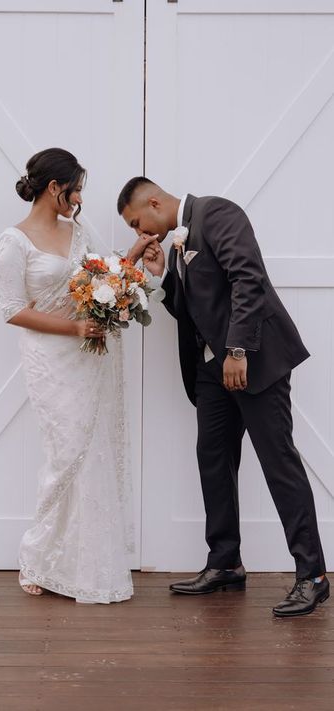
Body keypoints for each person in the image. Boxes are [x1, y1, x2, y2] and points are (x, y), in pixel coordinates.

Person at [119, 177, 329, 618]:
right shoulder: (178, 241)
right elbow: (192, 307)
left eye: (139, 223)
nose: (141, 234)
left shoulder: (217, 213)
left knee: (278, 463)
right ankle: (226, 563)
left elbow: (247, 280)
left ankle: (312, 576)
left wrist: (237, 350)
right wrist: (162, 277)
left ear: (154, 202)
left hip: (252, 359)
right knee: (213, 458)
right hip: (211, 371)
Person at [0, 148, 134, 603]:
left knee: (92, 450)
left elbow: (109, 272)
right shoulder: (13, 242)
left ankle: (86, 562)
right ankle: (38, 557)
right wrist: (74, 325)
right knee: (65, 453)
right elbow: (14, 311)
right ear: (55, 187)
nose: (78, 198)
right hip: (49, 358)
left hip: (88, 354)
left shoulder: (79, 231)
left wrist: (136, 263)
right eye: (75, 189)